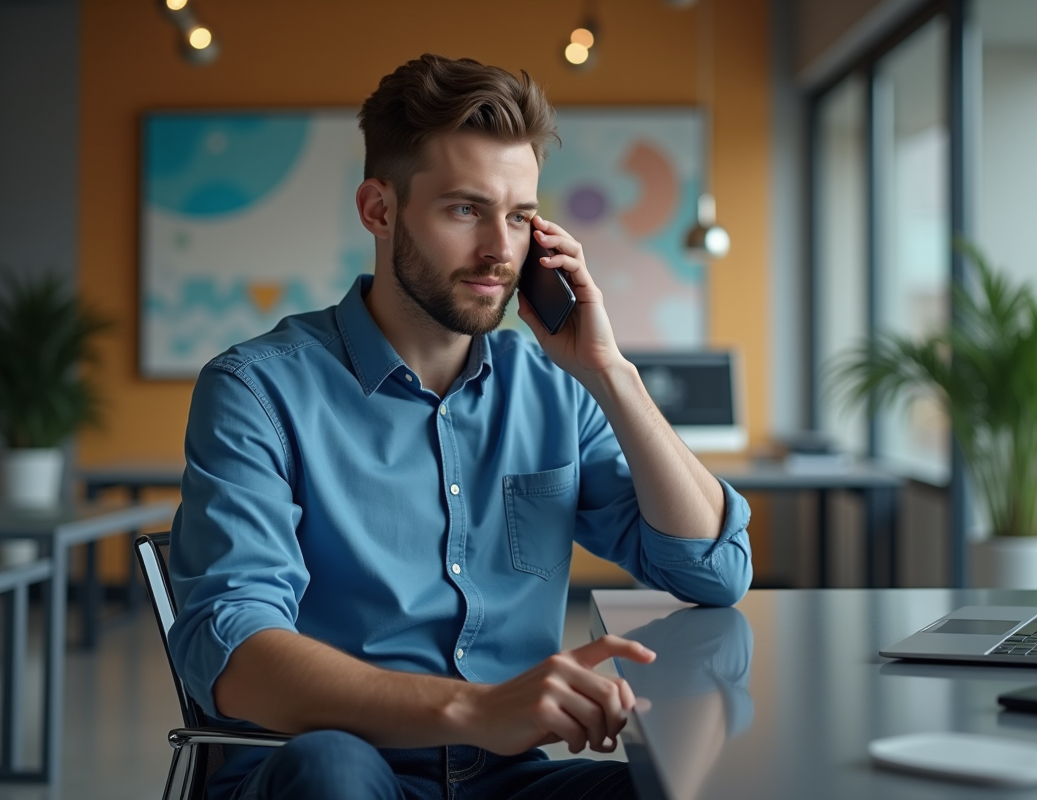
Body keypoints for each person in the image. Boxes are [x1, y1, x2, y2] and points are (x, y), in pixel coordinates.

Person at [168, 53, 753, 800]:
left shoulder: (554, 387)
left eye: (519, 217)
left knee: (688, 785)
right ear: (380, 210)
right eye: (465, 210)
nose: (499, 252)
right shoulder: (256, 389)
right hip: (328, 769)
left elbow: (711, 570)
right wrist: (475, 709)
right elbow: (233, 654)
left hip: (505, 781)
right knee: (332, 770)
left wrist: (610, 373)